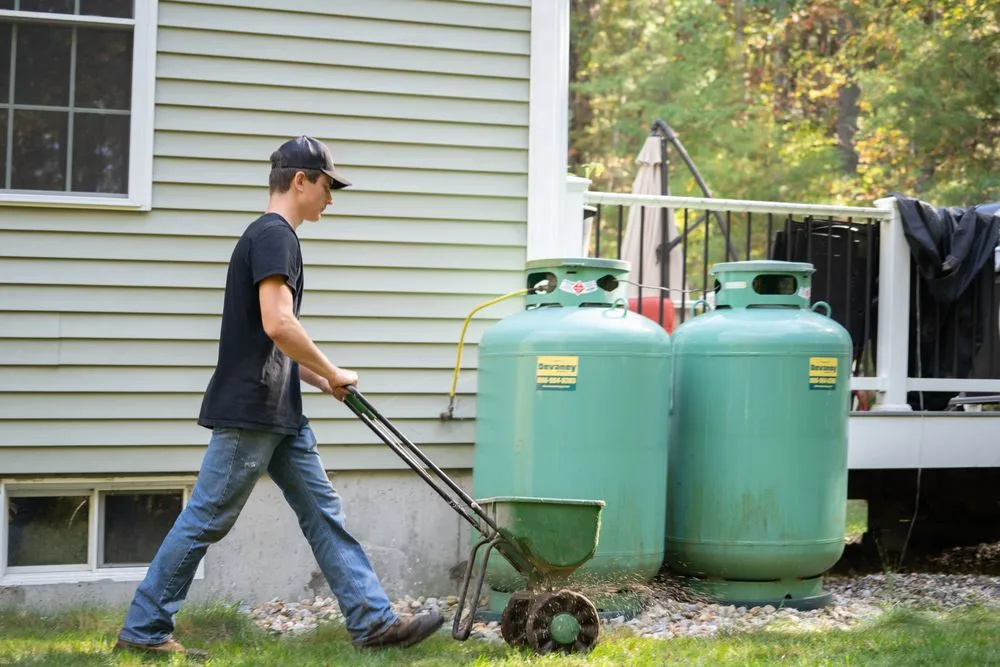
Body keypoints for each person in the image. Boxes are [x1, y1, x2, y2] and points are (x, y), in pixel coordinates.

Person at [115, 136, 443, 656]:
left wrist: (323, 379)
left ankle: (372, 621)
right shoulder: (275, 236)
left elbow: (276, 340)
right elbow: (278, 323)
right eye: (328, 186)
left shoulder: (271, 237)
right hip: (252, 411)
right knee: (206, 517)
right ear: (300, 180)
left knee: (322, 512)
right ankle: (145, 630)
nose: (331, 199)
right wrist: (332, 367)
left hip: (279, 411)